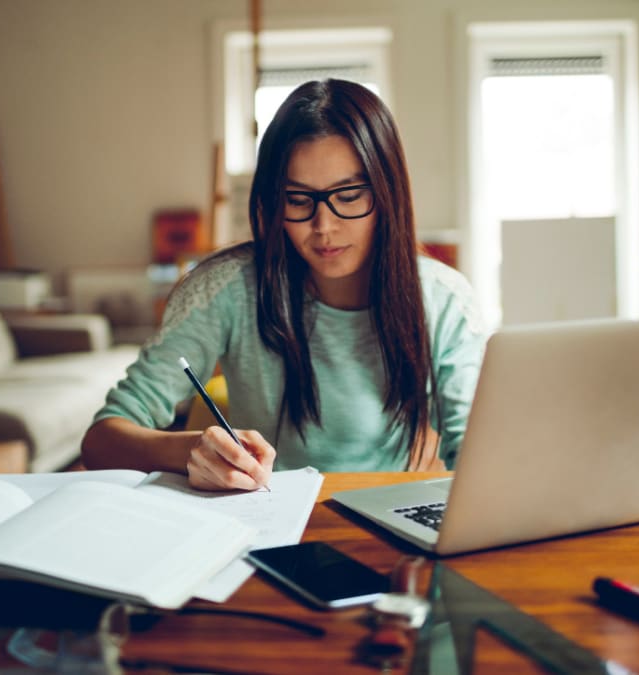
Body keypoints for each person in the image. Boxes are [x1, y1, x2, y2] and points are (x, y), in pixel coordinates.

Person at [81, 79, 486, 490]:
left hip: (386, 526)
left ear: (388, 194)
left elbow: (478, 453)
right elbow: (101, 442)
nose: (323, 226)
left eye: (348, 195)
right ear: (274, 201)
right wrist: (191, 450)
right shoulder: (226, 289)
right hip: (266, 522)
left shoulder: (442, 296)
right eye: (298, 199)